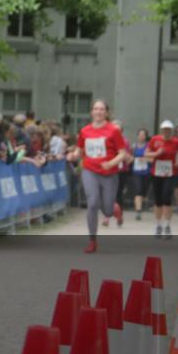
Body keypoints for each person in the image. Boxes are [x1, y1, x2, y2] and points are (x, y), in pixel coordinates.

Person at [66, 100, 128, 253]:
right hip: (90, 170)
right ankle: (92, 241)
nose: (98, 111)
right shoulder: (85, 131)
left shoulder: (114, 131)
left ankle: (114, 209)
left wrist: (111, 163)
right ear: (91, 112)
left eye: (102, 109)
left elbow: (123, 153)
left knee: (107, 211)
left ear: (106, 113)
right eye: (96, 109)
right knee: (92, 202)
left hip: (109, 173)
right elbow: (79, 151)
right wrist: (73, 155)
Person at [145, 120, 178, 240]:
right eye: (164, 129)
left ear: (171, 131)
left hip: (170, 173)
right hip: (156, 173)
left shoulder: (177, 142)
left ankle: (167, 226)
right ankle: (158, 226)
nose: (166, 131)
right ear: (161, 130)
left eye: (169, 130)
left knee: (167, 198)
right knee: (158, 200)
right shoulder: (154, 140)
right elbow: (147, 154)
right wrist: (157, 153)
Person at [130, 129, 151, 220]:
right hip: (136, 172)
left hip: (146, 172)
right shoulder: (134, 146)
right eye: (140, 134)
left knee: (144, 191)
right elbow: (130, 158)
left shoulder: (149, 146)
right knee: (138, 191)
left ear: (145, 136)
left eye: (143, 135)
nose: (142, 136)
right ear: (137, 136)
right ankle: (138, 211)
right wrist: (133, 159)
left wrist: (145, 158)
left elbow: (152, 158)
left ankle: (143, 201)